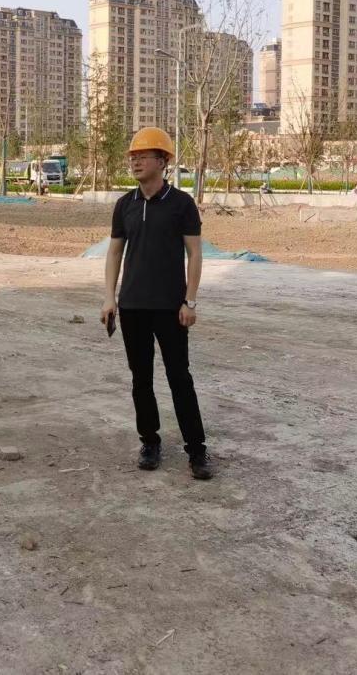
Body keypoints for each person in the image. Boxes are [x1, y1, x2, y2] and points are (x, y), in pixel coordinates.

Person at [100, 127, 213, 480]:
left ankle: (197, 450)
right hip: (133, 307)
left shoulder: (181, 204)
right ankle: (149, 442)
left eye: (143, 156)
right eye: (132, 157)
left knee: (180, 378)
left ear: (163, 161)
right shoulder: (125, 205)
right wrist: (109, 297)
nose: (135, 162)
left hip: (170, 307)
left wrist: (190, 301)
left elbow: (195, 253)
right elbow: (114, 253)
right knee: (141, 379)